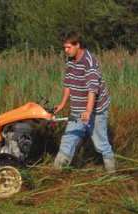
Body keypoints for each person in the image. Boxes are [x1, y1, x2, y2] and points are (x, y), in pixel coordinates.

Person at [53, 31, 115, 172]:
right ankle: (56, 172)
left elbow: (92, 90)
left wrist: (88, 111)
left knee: (101, 143)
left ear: (77, 45)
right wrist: (62, 104)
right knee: (68, 138)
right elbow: (68, 83)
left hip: (96, 110)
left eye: (68, 47)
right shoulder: (70, 60)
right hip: (77, 108)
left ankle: (112, 174)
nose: (65, 51)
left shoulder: (90, 63)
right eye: (64, 48)